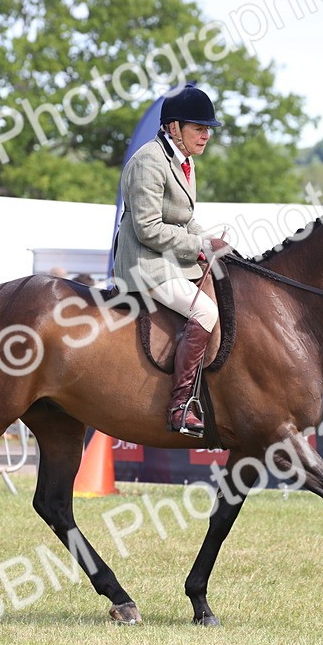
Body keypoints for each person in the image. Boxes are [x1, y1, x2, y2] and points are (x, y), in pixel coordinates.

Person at [111, 83, 227, 437]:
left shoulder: (184, 160)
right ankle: (180, 405)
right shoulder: (149, 160)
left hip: (170, 259)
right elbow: (147, 228)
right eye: (199, 128)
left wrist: (210, 241)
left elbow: (184, 218)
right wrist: (198, 245)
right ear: (173, 127)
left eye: (208, 129)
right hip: (145, 263)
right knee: (204, 311)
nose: (206, 135)